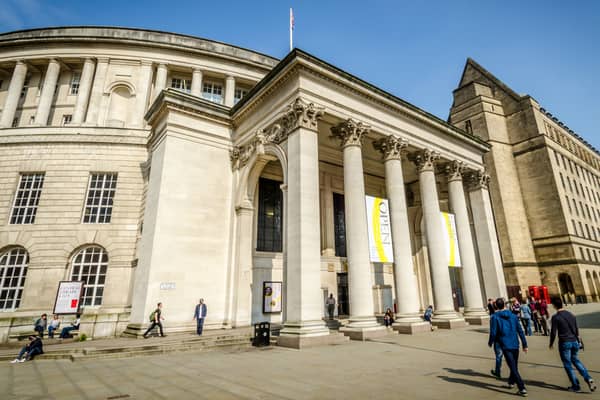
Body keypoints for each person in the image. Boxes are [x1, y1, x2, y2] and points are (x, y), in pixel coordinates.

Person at [549, 297, 596, 393]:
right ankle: (588, 378)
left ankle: (576, 386)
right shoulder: (571, 315)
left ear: (554, 305)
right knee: (576, 360)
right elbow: (576, 329)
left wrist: (551, 343)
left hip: (565, 342)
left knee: (568, 364)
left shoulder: (555, 317)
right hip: (574, 341)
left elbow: (553, 332)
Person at [488, 298, 528, 397]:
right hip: (515, 344)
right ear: (505, 305)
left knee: (513, 367)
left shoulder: (494, 317)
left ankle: (522, 388)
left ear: (496, 306)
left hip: (505, 344)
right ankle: (511, 382)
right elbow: (520, 331)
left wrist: (490, 342)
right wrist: (524, 344)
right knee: (514, 365)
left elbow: (493, 332)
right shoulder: (513, 316)